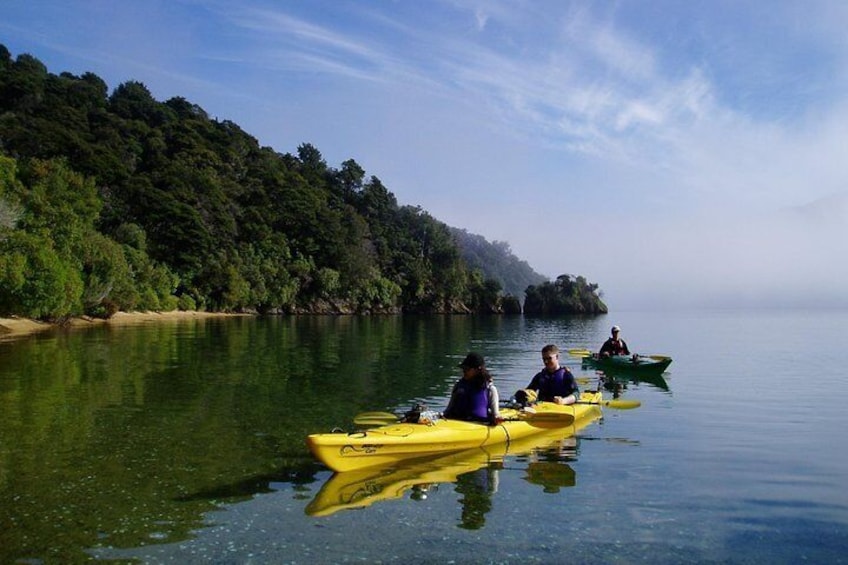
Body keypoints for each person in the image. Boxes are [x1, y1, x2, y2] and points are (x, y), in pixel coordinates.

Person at [443, 352, 501, 425]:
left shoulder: (490, 389)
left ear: (478, 369)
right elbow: (448, 409)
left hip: (477, 425)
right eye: (463, 368)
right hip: (454, 422)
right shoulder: (458, 386)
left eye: (467, 369)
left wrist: (496, 417)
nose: (464, 371)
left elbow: (496, 414)